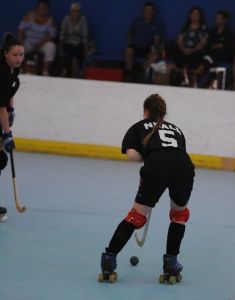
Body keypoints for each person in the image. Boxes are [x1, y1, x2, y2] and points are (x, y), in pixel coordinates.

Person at [99, 94, 195, 282]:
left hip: (156, 167)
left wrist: (149, 164)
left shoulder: (138, 127)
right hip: (183, 167)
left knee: (136, 216)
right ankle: (171, 264)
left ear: (146, 111)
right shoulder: (177, 129)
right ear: (164, 113)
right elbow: (177, 153)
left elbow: (132, 155)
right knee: (179, 215)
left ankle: (109, 259)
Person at [0, 33, 25, 221]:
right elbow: (0, 106)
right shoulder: (2, 73)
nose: (19, 59)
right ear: (5, 54)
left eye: (21, 55)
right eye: (15, 55)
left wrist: (12, 109)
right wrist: (7, 134)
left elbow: (9, 94)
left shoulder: (12, 70)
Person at [190, 10, 235, 88]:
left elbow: (226, 46)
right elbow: (209, 44)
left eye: (220, 18)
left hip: (224, 55)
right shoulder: (212, 31)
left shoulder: (229, 33)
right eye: (217, 18)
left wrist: (219, 46)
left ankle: (202, 68)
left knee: (215, 52)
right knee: (197, 54)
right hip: (210, 53)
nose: (217, 20)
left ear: (224, 20)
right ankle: (192, 79)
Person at [124, 1, 164, 82]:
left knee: (154, 57)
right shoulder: (137, 21)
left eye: (150, 10)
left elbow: (157, 39)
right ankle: (129, 73)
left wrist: (154, 51)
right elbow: (130, 33)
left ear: (153, 12)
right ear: (143, 11)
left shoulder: (156, 24)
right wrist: (130, 44)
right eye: (146, 10)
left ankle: (140, 73)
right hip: (136, 46)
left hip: (148, 48)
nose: (148, 12)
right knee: (128, 51)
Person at [170, 7, 208, 86]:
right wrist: (183, 49)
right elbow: (179, 40)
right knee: (176, 51)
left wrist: (192, 50)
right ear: (190, 15)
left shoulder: (203, 28)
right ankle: (179, 77)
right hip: (184, 50)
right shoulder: (185, 27)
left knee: (196, 57)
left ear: (200, 16)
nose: (194, 16)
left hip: (196, 51)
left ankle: (191, 80)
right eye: (193, 14)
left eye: (197, 14)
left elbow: (203, 43)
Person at [18, 0, 56, 75]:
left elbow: (52, 35)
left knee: (51, 46)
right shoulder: (29, 15)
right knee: (19, 47)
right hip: (29, 42)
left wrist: (41, 42)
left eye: (45, 7)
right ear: (38, 7)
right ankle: (21, 69)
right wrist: (21, 42)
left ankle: (45, 71)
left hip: (42, 43)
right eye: (41, 7)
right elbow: (21, 29)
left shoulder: (50, 20)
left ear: (47, 9)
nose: (42, 9)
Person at [59, 2, 89, 78]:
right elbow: (62, 35)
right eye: (73, 10)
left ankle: (80, 70)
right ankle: (66, 70)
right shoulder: (66, 19)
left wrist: (86, 50)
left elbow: (84, 35)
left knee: (79, 49)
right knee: (69, 50)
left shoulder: (83, 20)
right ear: (70, 11)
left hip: (79, 43)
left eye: (77, 11)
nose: (75, 12)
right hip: (68, 42)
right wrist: (61, 48)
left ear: (79, 12)